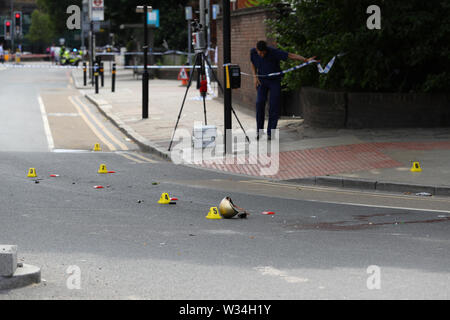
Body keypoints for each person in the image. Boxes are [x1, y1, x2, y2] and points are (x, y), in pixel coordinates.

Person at [250, 40, 317, 140]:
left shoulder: (273, 52)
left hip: (274, 81)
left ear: (266, 50)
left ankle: (270, 132)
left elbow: (290, 55)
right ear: (256, 49)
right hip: (262, 81)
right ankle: (259, 131)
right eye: (260, 53)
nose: (262, 54)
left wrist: (305, 60)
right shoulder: (253, 52)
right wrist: (255, 77)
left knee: (274, 105)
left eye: (263, 52)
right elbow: (253, 63)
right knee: (259, 103)